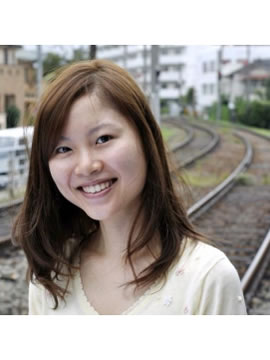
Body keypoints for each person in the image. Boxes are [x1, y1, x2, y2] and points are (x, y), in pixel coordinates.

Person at [12, 59, 246, 315]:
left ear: (145, 139)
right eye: (63, 149)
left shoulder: (206, 278)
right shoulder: (51, 278)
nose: (87, 165)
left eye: (103, 138)